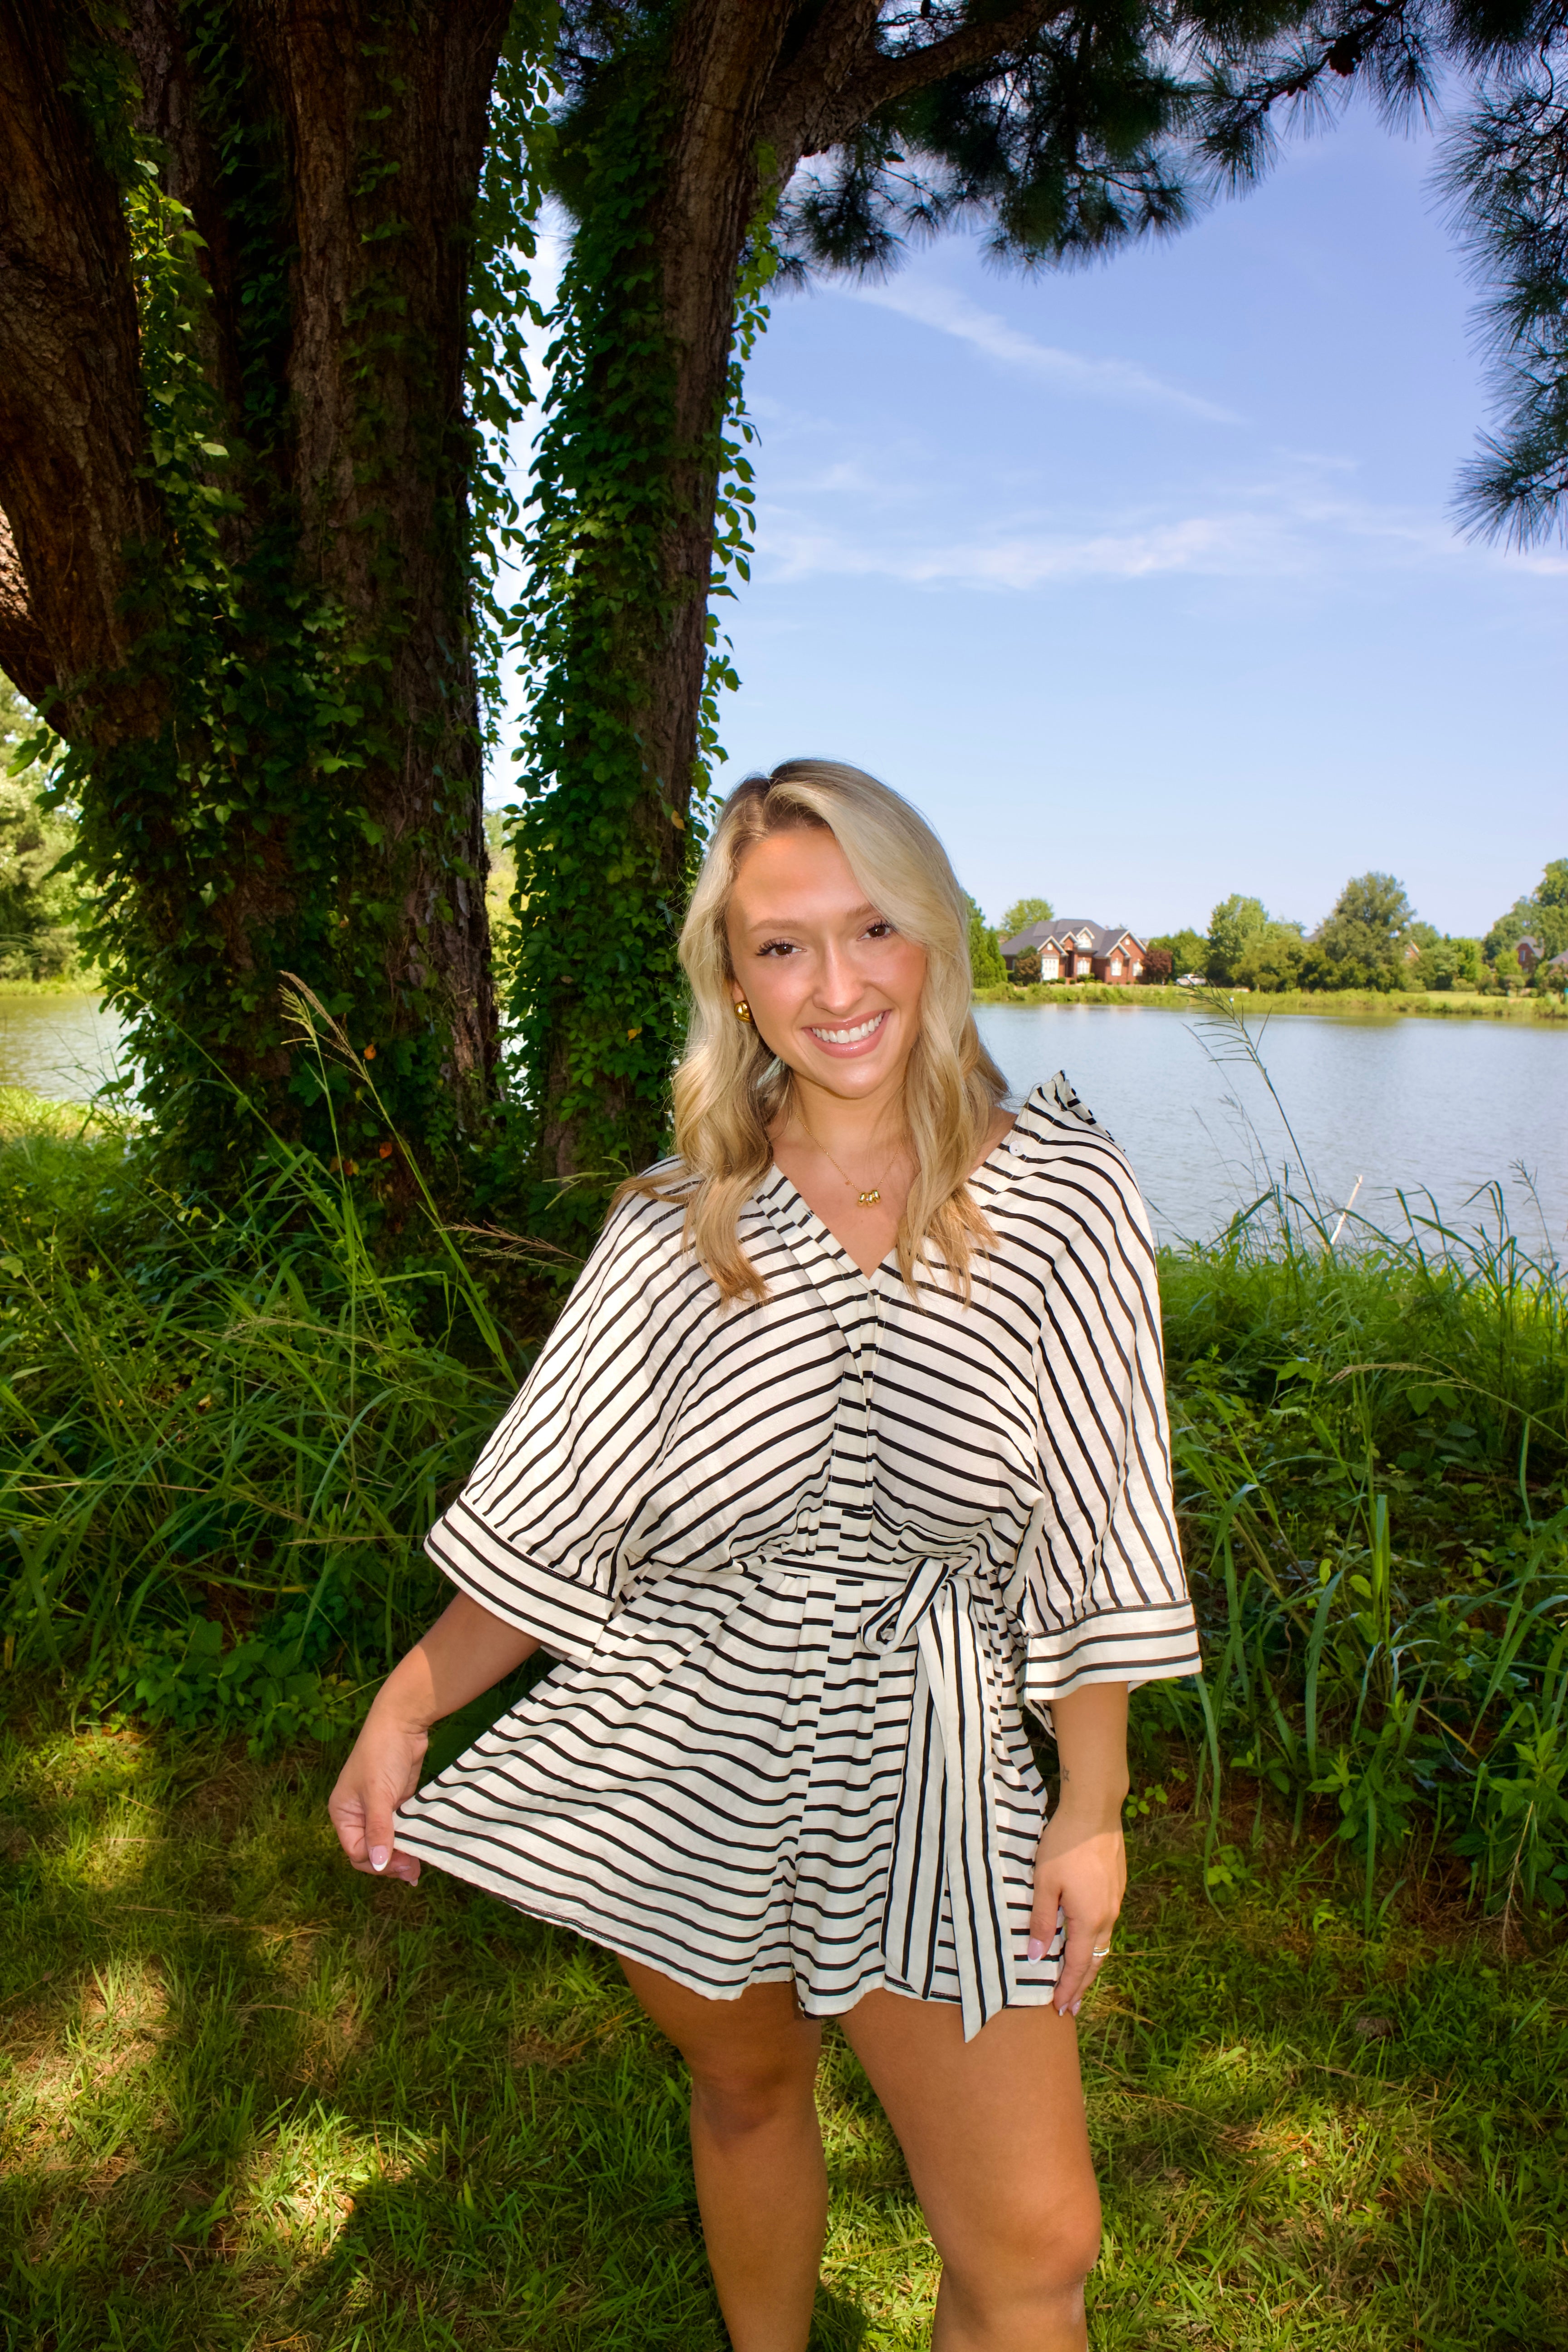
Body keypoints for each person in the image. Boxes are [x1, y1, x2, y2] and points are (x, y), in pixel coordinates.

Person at [329, 759, 1200, 2352]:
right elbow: (554, 1506)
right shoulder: (681, 1221)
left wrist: (1091, 1804)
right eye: (782, 946)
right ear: (733, 980)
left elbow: (1100, 1524)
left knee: (1034, 2244)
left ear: (935, 934)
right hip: (688, 1743)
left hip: (931, 1752)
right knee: (744, 2087)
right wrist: (407, 1702)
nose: (837, 984)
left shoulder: (1066, 1199)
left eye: (872, 927)